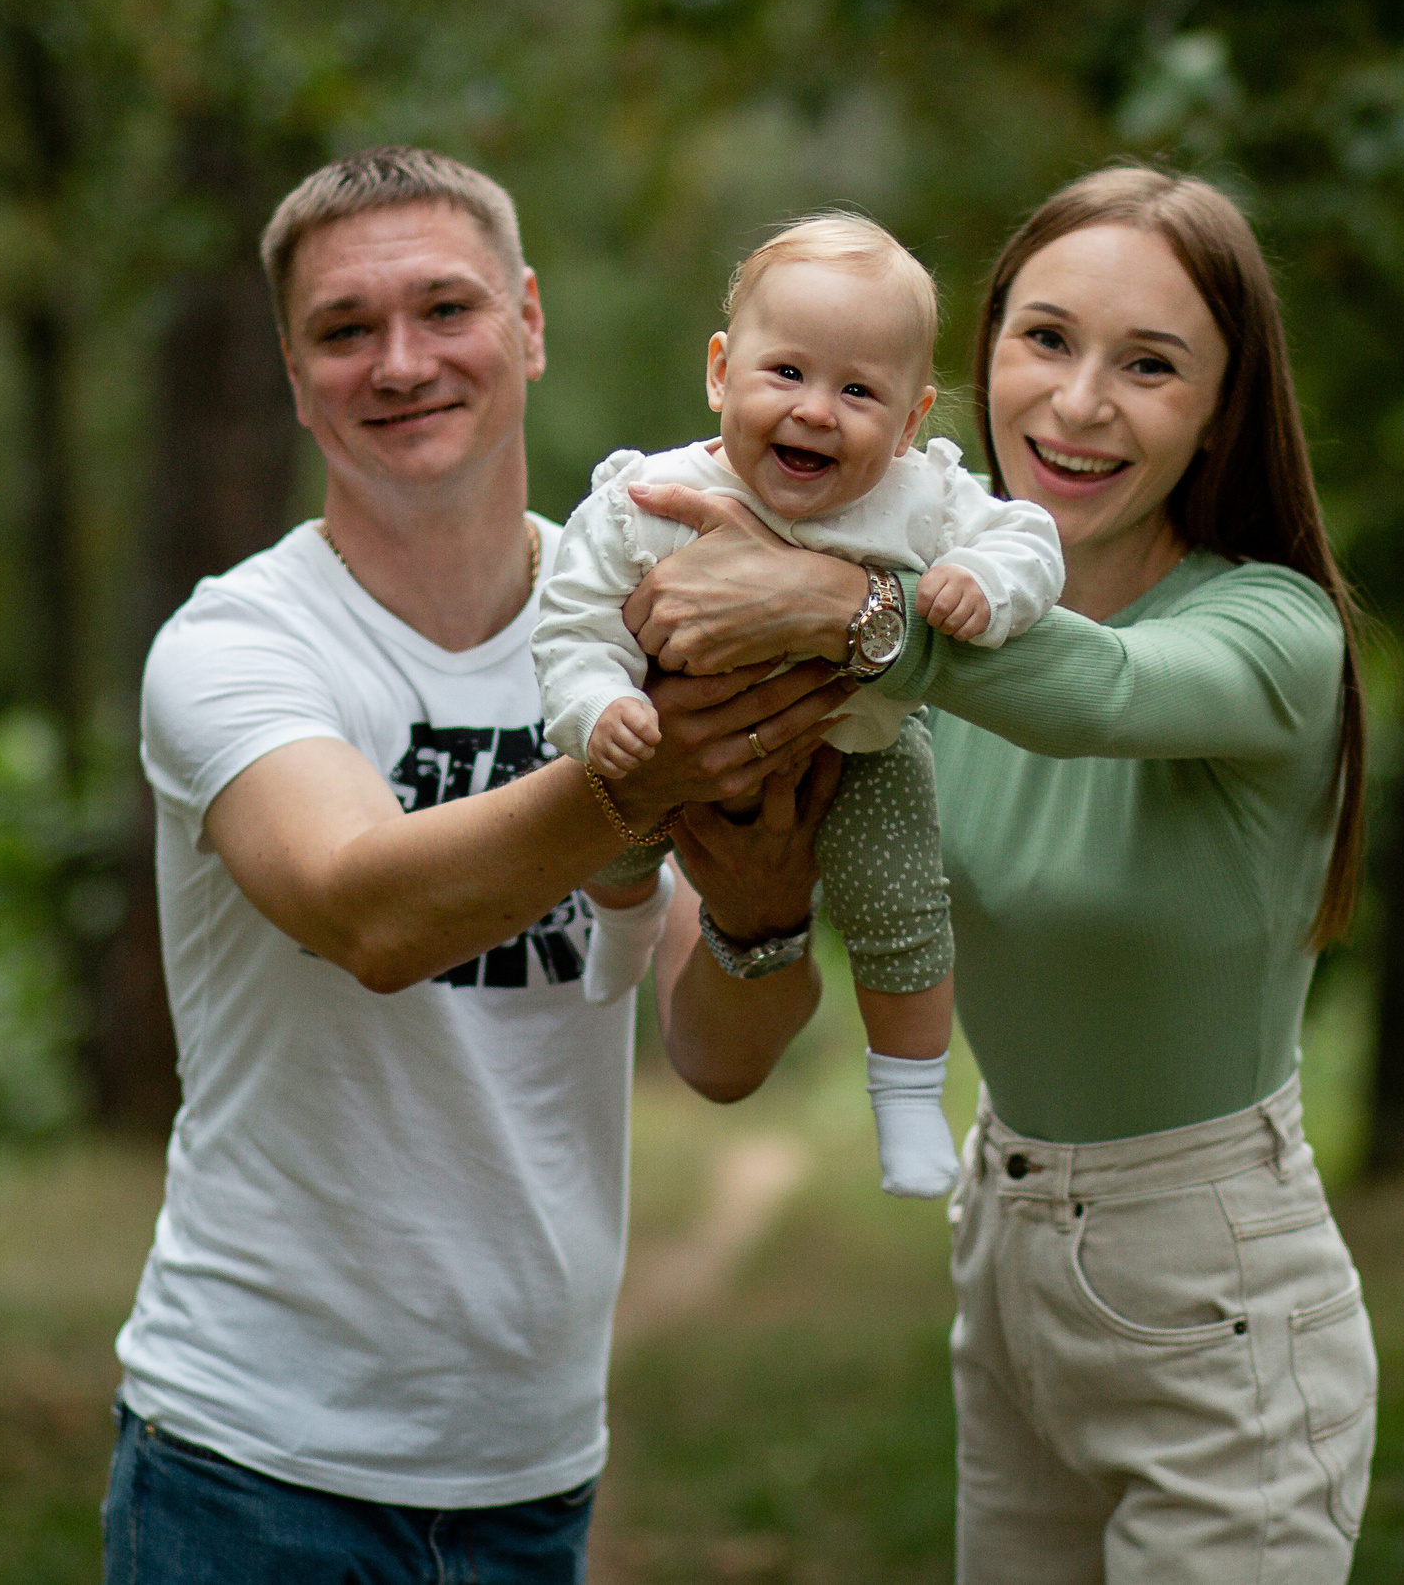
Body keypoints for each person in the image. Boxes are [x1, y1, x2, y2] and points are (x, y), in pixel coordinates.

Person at [101, 144, 846, 1585]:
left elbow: (724, 1047)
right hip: (251, 1465)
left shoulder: (646, 623)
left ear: (530, 323)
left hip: (531, 1468)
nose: (401, 362)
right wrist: (672, 762)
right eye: (344, 328)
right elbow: (368, 908)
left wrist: (763, 901)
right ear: (294, 368)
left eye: (446, 309)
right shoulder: (236, 643)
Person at [624, 164, 1378, 1583]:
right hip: (1006, 1253)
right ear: (975, 363)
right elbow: (737, 1015)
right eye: (1044, 339)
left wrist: (843, 604)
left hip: (1218, 1287)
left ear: (1222, 406)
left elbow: (1096, 692)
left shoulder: (1272, 631)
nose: (1079, 404)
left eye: (1150, 364)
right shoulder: (900, 651)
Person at [535, 212, 1062, 1199]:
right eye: (788, 374)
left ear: (910, 422)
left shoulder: (919, 499)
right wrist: (598, 700)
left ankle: (907, 1095)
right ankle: (620, 924)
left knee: (902, 912)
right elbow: (573, 622)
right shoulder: (648, 498)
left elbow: (1031, 541)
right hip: (661, 739)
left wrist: (983, 584)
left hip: (851, 754)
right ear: (720, 372)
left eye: (859, 391)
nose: (818, 411)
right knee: (598, 818)